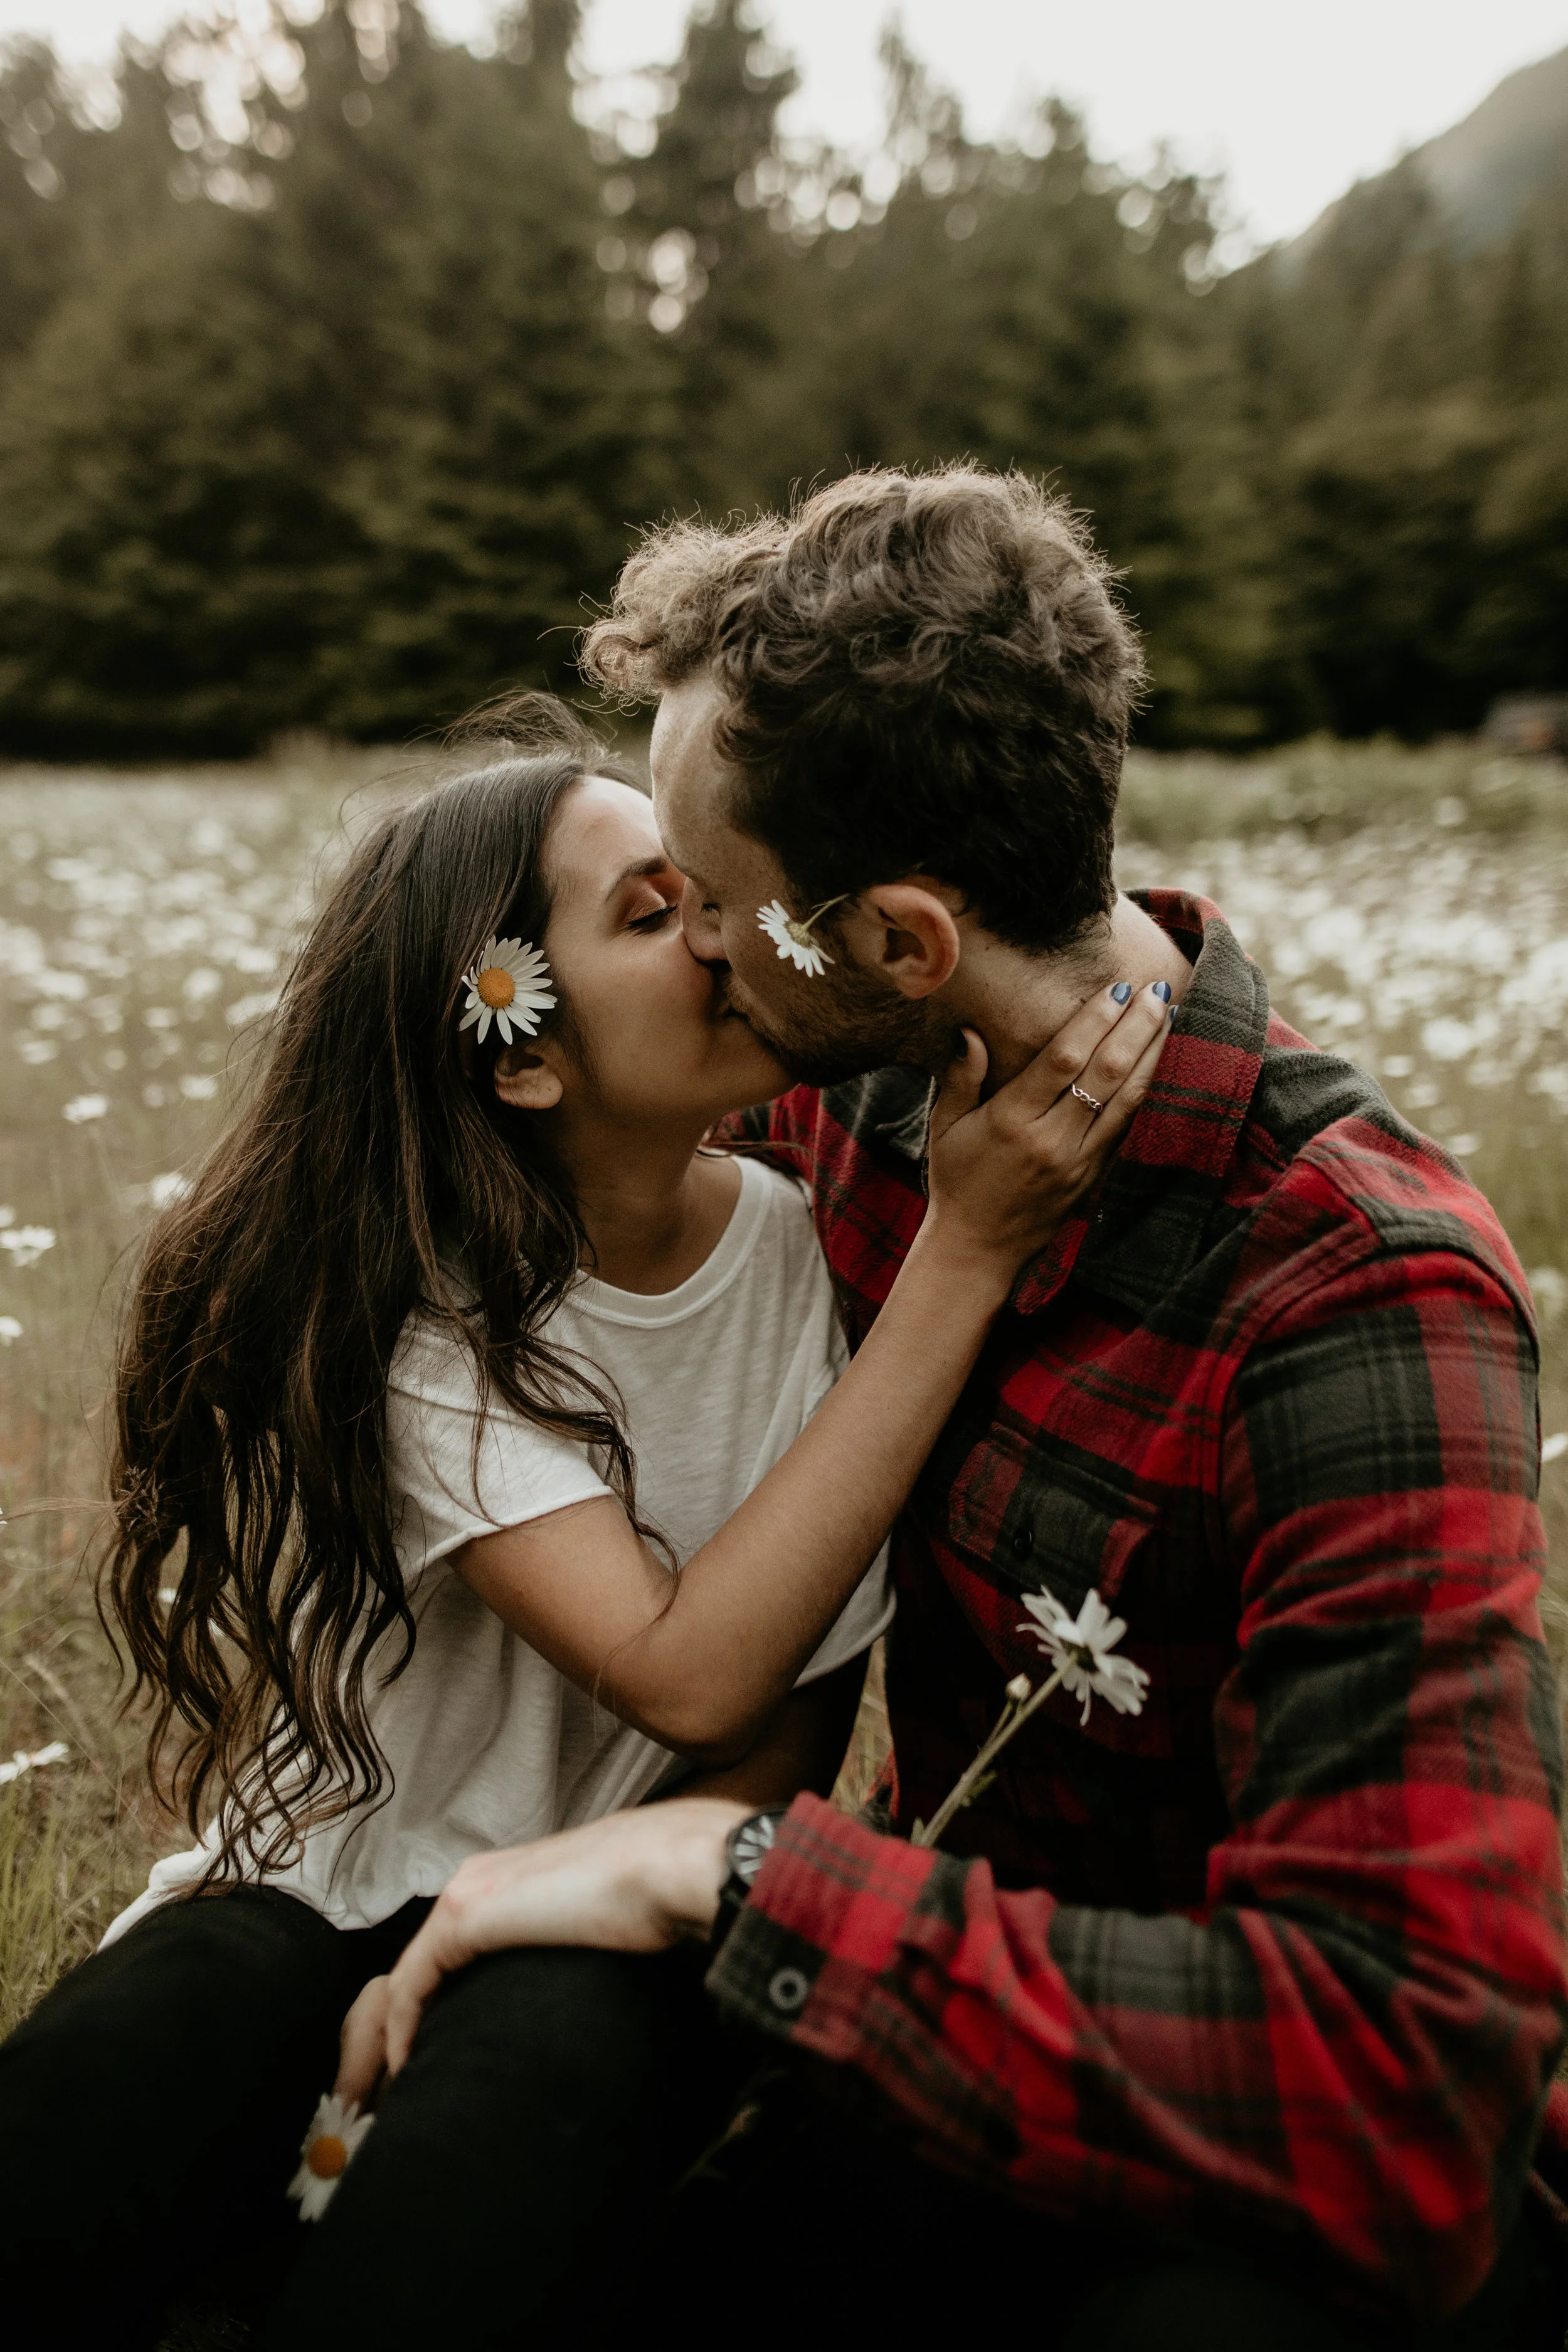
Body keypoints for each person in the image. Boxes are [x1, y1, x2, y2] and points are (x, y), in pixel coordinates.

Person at [349, 469, 1568, 2351]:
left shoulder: (1360, 1292)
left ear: (900, 944)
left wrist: (742, 1869)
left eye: (721, 907)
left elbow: (1400, 2085)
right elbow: (548, 1151)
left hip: (1237, 2153)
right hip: (937, 2035)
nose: (696, 951)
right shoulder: (854, 1092)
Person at [0, 701, 1163, 2352]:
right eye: (648, 910)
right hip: (338, 1883)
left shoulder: (800, 1238)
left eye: (707, 884)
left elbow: (788, 1716)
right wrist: (965, 1258)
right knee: (153, 2042)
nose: (721, 927)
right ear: (524, 1047)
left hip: (608, 1911)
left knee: (518, 2097)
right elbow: (684, 1675)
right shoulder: (437, 1322)